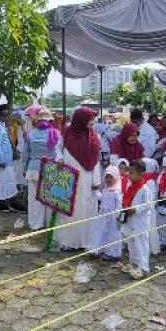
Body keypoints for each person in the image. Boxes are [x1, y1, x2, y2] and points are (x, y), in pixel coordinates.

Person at [54, 107, 102, 250]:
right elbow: (58, 147)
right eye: (89, 120)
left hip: (87, 178)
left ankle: (86, 241)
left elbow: (95, 159)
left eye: (92, 121)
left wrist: (96, 180)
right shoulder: (67, 131)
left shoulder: (93, 136)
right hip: (69, 175)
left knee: (86, 207)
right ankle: (69, 242)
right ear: (80, 119)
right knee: (69, 207)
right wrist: (60, 157)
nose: (91, 123)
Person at [23, 108, 61, 229]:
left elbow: (25, 155)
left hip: (33, 169)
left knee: (34, 198)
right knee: (51, 197)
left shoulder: (30, 134)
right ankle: (50, 223)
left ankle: (35, 223)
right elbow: (59, 153)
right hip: (51, 168)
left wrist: (24, 171)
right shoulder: (57, 134)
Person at [120, 159, 154, 279]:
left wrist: (136, 209)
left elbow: (149, 205)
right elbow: (126, 200)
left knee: (141, 244)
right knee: (131, 243)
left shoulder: (145, 189)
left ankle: (144, 268)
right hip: (130, 220)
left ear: (141, 173)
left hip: (140, 222)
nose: (130, 175)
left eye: (132, 173)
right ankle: (133, 264)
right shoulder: (130, 186)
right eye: (129, 172)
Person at [0, 104, 23, 213]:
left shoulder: (0, 125)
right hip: (2, 161)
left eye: (7, 115)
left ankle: (6, 203)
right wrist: (0, 160)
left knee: (6, 181)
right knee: (3, 182)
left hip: (6, 160)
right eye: (4, 115)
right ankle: (2, 204)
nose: (7, 117)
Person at [88, 165, 123, 263]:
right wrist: (95, 192)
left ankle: (113, 253)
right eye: (107, 177)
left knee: (113, 234)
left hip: (113, 217)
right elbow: (102, 198)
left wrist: (117, 213)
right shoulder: (105, 189)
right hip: (103, 215)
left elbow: (120, 203)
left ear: (115, 177)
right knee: (101, 232)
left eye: (111, 177)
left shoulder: (116, 191)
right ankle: (98, 249)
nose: (108, 179)